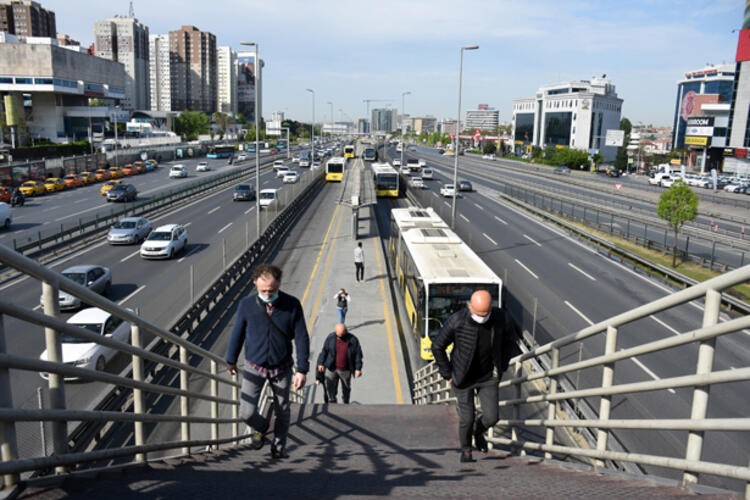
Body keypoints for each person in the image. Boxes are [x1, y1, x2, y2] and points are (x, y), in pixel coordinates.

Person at [226, 264, 310, 459]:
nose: (268, 294)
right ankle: (263, 427)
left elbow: (301, 337)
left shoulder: (292, 305)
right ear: (255, 283)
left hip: (282, 367)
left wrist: (302, 369)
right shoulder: (246, 305)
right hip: (254, 366)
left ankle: (279, 446)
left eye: (272, 290)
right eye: (263, 290)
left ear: (279, 283)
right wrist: (231, 360)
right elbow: (237, 333)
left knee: (283, 409)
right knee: (246, 412)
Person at [431, 289, 518, 463]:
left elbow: (510, 341)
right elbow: (437, 346)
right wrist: (447, 374)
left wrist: (503, 364)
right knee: (467, 417)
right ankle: (466, 450)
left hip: (488, 376)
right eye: (478, 314)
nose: (482, 318)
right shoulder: (457, 320)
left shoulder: (501, 318)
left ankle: (478, 433)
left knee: (492, 416)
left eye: (486, 314)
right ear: (469, 306)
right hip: (463, 378)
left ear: (491, 309)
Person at [317, 323, 363, 404]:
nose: (340, 337)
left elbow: (358, 355)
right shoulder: (330, 338)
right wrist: (321, 363)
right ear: (335, 332)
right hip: (332, 368)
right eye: (338, 335)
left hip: (345, 370)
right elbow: (324, 351)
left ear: (346, 331)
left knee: (346, 388)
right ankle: (332, 401)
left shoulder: (353, 340)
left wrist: (358, 368)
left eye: (342, 335)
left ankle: (345, 402)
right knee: (330, 387)